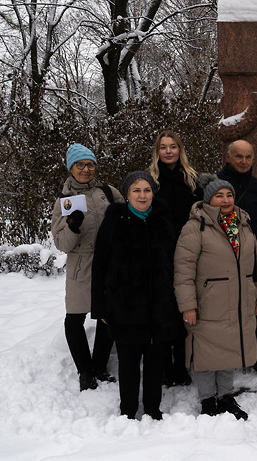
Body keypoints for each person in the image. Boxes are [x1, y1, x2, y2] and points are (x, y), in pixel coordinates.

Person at [173, 176, 257, 420]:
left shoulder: (244, 224)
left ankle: (225, 396)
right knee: (205, 355)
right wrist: (188, 305)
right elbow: (183, 271)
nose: (225, 200)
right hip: (208, 304)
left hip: (238, 302)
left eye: (229, 195)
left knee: (229, 351)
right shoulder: (195, 228)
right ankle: (207, 400)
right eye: (219, 196)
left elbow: (256, 264)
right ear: (208, 200)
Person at [91, 171, 180, 420]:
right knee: (128, 364)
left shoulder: (163, 220)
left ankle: (153, 409)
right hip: (125, 308)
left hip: (159, 307)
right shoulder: (114, 222)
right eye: (136, 190)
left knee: (155, 363)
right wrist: (100, 308)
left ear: (153, 193)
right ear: (127, 194)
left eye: (147, 190)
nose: (142, 195)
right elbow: (99, 266)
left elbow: (176, 263)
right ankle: (128, 411)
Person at [51, 143, 123, 391]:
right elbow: (62, 244)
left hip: (109, 263)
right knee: (74, 319)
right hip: (81, 265)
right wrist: (72, 227)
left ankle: (100, 367)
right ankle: (85, 371)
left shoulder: (108, 192)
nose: (85, 169)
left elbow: (128, 219)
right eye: (80, 165)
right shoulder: (64, 200)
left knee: (106, 315)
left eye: (90, 164)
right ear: (71, 168)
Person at [217, 139, 257, 380]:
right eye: (238, 156)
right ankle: (224, 360)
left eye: (248, 157)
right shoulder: (215, 185)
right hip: (221, 260)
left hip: (252, 261)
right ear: (228, 156)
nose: (243, 161)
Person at [148, 129, 203, 387]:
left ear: (180, 150)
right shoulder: (151, 181)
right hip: (160, 253)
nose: (168, 151)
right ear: (157, 151)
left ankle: (182, 365)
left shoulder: (192, 180)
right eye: (163, 147)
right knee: (164, 309)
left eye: (173, 147)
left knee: (186, 308)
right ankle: (166, 367)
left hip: (189, 251)